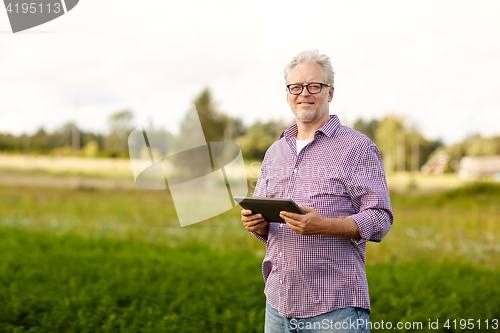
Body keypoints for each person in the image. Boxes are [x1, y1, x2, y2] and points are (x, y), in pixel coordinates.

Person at [241, 49, 393, 333]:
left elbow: (381, 219)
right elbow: (266, 221)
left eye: (314, 86)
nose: (304, 93)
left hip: (335, 310)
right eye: (296, 87)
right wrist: (258, 225)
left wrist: (324, 226)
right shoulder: (275, 152)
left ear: (330, 92)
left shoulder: (357, 148)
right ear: (287, 94)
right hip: (277, 305)